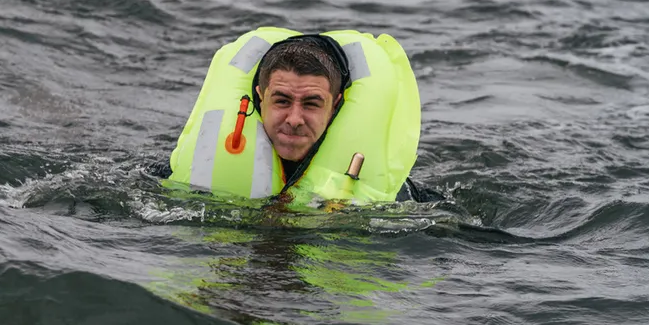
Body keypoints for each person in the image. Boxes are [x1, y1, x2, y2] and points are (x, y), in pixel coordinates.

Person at [147, 31, 444, 203]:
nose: (294, 118)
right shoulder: (169, 175)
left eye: (312, 103)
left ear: (335, 105)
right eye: (282, 100)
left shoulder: (400, 195)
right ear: (261, 98)